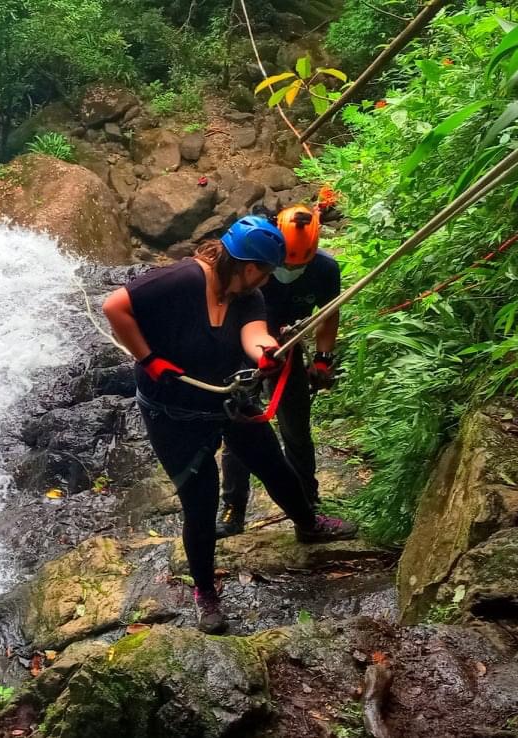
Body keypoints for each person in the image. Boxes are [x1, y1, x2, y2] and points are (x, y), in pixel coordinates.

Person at [101, 215, 357, 635]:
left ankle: (309, 525)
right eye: (266, 273)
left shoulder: (247, 296)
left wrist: (267, 353)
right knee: (199, 501)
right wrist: (148, 359)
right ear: (250, 267)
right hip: (172, 413)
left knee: (274, 465)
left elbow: (254, 335)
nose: (267, 281)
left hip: (227, 401)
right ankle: (205, 592)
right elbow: (115, 306)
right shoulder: (180, 280)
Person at [217, 205, 344, 536]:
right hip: (245, 346)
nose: (290, 270)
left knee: (296, 428)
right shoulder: (256, 264)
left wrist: (322, 359)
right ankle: (233, 509)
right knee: (241, 429)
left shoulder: (324, 270)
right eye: (285, 263)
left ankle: (307, 505)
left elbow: (328, 315)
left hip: (288, 348)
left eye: (298, 266)